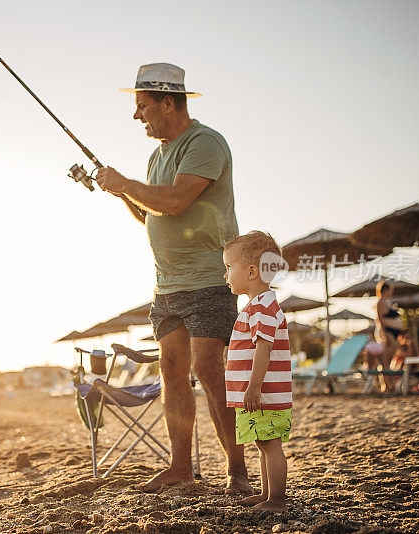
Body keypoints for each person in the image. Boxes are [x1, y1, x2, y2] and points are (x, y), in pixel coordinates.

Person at [96, 63, 250, 494]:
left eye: (141, 106)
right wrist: (122, 190)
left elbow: (178, 201)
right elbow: (151, 212)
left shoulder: (205, 142)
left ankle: (236, 470)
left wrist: (126, 182)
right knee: (171, 369)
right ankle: (181, 467)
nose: (136, 116)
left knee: (207, 368)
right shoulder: (156, 154)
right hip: (167, 286)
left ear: (168, 102)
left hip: (208, 280)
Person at [222, 231, 292, 512]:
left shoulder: (263, 306)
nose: (225, 275)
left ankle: (277, 500)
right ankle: (267, 495)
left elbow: (264, 350)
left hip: (264, 394)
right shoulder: (255, 306)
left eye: (229, 268)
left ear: (251, 271)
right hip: (260, 394)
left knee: (270, 444)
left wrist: (253, 387)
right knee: (264, 444)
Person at [374, 281, 404, 392]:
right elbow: (380, 320)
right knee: (385, 360)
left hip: (394, 333)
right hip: (388, 333)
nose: (392, 292)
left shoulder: (388, 302)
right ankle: (386, 385)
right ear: (386, 290)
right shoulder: (380, 303)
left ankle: (387, 384)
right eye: (390, 289)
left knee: (389, 359)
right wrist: (385, 335)